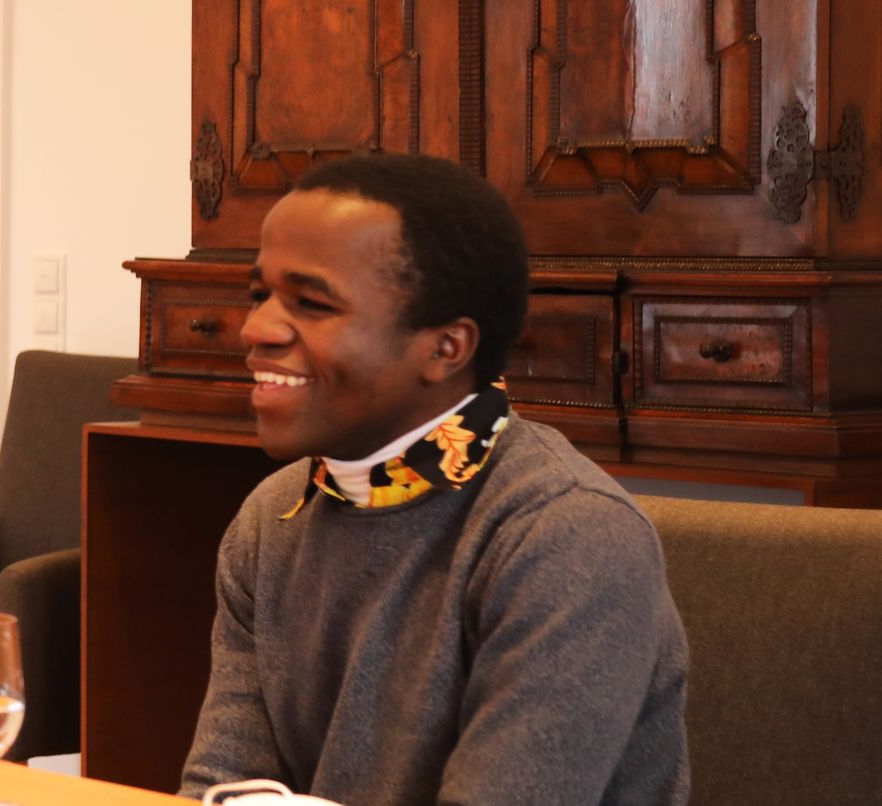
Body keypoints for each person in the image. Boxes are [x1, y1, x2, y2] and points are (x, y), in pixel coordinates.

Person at [178, 153, 689, 805]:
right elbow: (218, 787)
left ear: (446, 348)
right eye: (260, 296)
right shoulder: (272, 516)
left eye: (311, 303)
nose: (256, 329)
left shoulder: (570, 536)